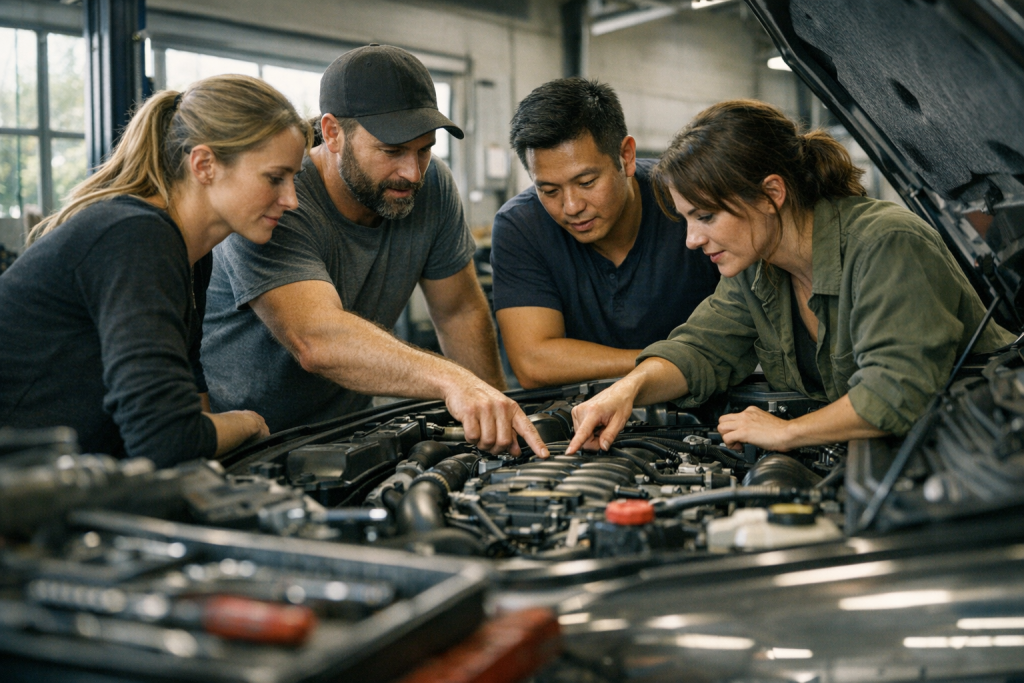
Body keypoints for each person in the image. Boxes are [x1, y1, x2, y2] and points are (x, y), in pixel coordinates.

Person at [568, 99, 1016, 454]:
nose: (691, 239)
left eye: (705, 216)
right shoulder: (756, 268)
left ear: (771, 193)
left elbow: (896, 391)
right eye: (687, 219)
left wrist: (786, 432)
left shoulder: (887, 244)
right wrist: (626, 390)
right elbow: (699, 349)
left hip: (984, 460)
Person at [202, 45, 546, 457]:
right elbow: (315, 339)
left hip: (349, 437)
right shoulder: (277, 201)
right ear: (333, 133)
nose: (412, 173)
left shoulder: (431, 185)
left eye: (424, 149)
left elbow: (458, 311)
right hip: (245, 447)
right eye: (392, 151)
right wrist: (453, 380)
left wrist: (498, 419)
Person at [0, 75, 311, 466]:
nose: (291, 200)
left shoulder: (192, 254)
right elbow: (165, 439)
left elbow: (188, 394)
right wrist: (247, 422)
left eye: (294, 179)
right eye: (275, 178)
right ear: (204, 165)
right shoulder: (135, 237)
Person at [490, 78, 719, 389]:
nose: (571, 207)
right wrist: (675, 362)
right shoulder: (521, 225)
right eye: (549, 190)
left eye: (586, 183)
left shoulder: (687, 199)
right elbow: (534, 362)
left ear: (626, 156)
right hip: (578, 411)